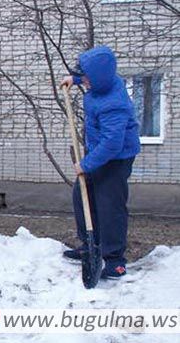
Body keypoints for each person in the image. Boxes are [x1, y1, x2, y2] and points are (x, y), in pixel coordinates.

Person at [60, 45, 140, 279]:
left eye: (85, 77)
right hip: (100, 151)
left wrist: (85, 164)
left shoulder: (113, 103)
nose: (84, 81)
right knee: (81, 195)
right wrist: (74, 79)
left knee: (110, 206)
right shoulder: (102, 83)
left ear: (97, 78)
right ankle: (90, 245)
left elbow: (112, 144)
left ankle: (115, 260)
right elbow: (91, 76)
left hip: (116, 157)